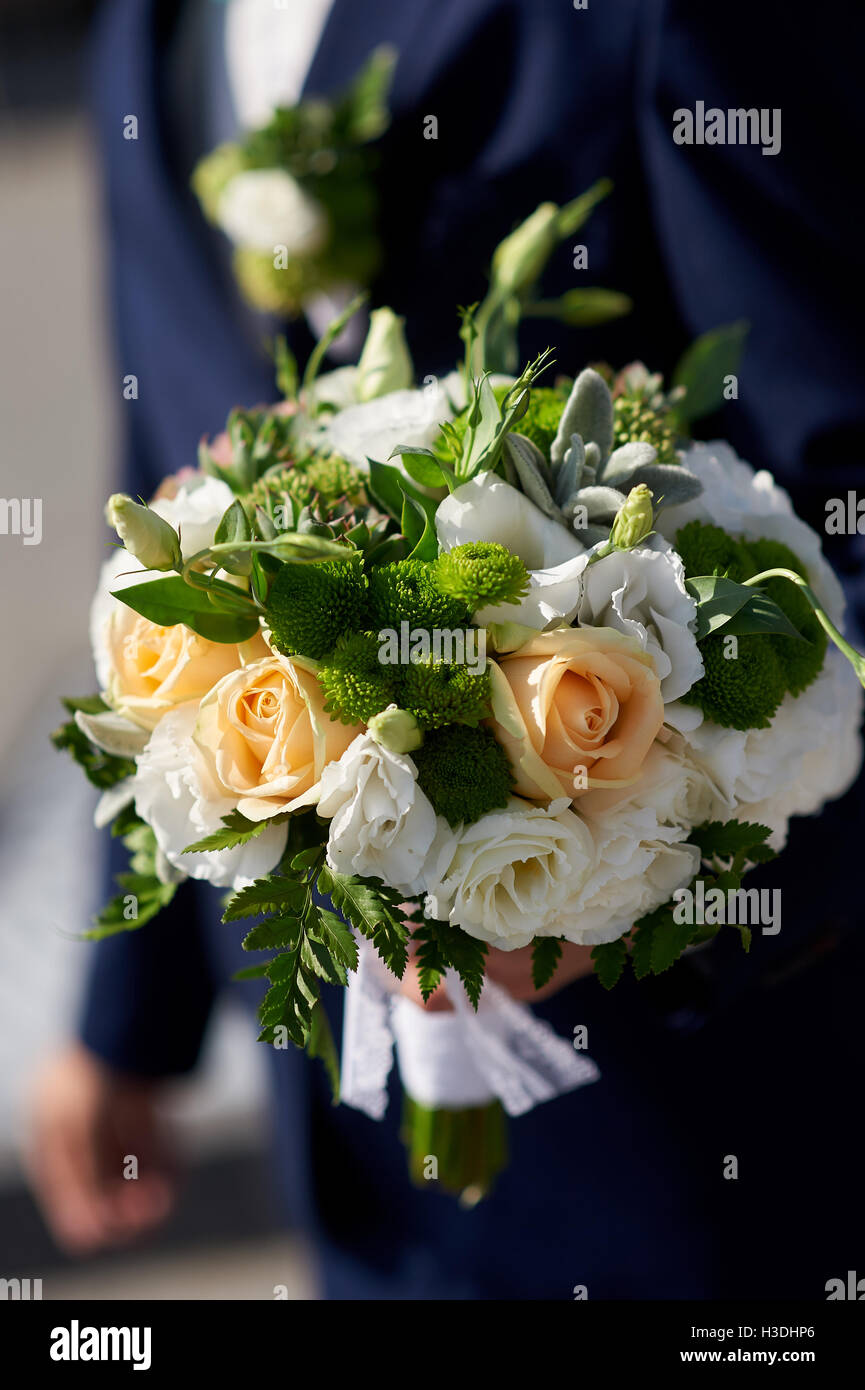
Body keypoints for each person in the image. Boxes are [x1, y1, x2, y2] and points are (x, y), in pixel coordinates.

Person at [27, 0, 865, 1298]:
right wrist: (122, 1021)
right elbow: (162, 501)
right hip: (345, 1146)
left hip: (675, 1152)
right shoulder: (140, 32)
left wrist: (662, 893)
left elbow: (846, 504)